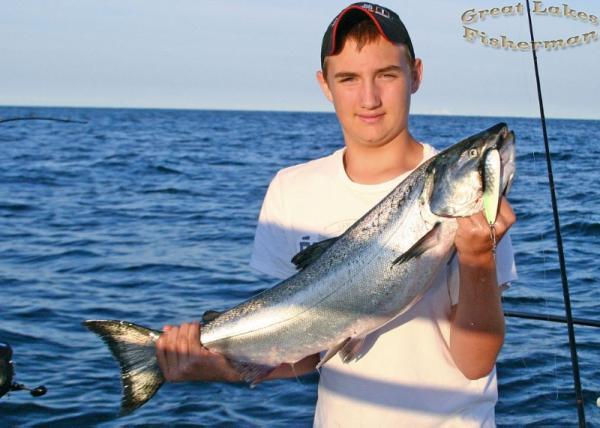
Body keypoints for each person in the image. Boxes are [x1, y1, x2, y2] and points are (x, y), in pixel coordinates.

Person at [156, 3, 517, 426]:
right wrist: (221, 366)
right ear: (324, 85)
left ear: (416, 74)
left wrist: (478, 258)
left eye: (387, 75)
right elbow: (307, 348)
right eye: (348, 78)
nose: (369, 98)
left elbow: (475, 363)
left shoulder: (479, 211)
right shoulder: (292, 189)